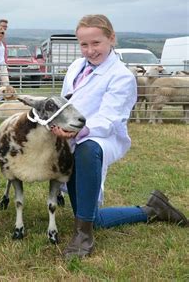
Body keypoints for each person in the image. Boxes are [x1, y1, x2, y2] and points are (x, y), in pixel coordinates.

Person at [50, 14, 188, 259]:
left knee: (88, 148)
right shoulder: (75, 68)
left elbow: (109, 119)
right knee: (90, 215)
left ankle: (83, 237)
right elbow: (65, 104)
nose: (90, 50)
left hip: (103, 138)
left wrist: (78, 130)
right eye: (84, 44)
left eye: (96, 43)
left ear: (111, 39)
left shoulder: (122, 76)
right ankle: (152, 209)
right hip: (74, 136)